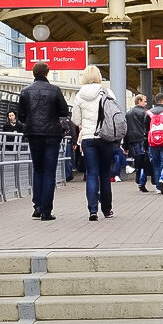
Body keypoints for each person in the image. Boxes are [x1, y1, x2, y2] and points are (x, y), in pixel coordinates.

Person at [17, 62, 70, 221]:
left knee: (38, 169)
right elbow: (64, 111)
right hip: (52, 135)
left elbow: (21, 116)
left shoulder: (25, 91)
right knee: (49, 171)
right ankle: (46, 211)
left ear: (34, 74)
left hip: (33, 134)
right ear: (47, 73)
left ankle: (37, 207)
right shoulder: (54, 90)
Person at [71, 65, 117, 220]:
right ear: (98, 76)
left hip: (88, 138)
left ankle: (92, 211)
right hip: (105, 137)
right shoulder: (107, 92)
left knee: (91, 174)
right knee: (105, 174)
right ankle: (107, 210)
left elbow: (76, 120)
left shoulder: (79, 95)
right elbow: (114, 114)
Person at [146, 93, 163, 195]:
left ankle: (157, 188)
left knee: (156, 164)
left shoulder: (148, 113)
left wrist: (146, 144)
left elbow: (146, 130)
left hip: (153, 142)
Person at [124, 94, 151, 192]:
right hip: (142, 139)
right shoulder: (145, 113)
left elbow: (125, 130)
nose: (146, 103)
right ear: (139, 101)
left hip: (132, 140)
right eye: (144, 101)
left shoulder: (128, 113)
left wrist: (125, 145)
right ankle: (141, 181)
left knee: (138, 161)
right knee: (144, 162)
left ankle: (139, 178)